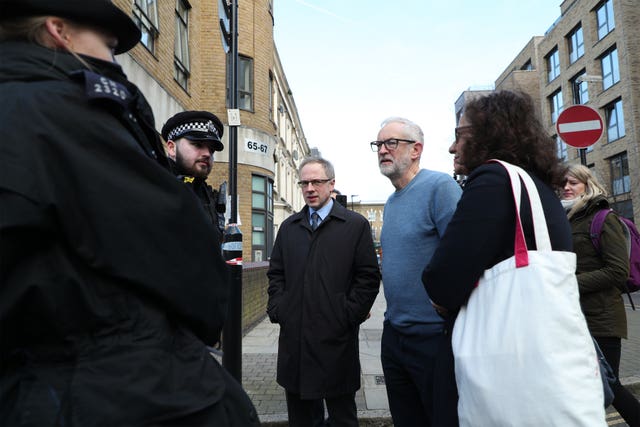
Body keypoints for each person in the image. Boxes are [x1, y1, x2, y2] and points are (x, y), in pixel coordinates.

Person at [0, 1, 258, 425]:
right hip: (110, 391)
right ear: (58, 30)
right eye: (107, 45)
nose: (113, 61)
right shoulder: (59, 111)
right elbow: (183, 262)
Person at [421, 90, 574, 423]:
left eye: (459, 136)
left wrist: (445, 294)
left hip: (498, 359)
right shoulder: (537, 187)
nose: (451, 147)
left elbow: (442, 282)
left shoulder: (493, 180)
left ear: (487, 136)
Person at [267, 156, 380, 427]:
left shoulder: (354, 225)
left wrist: (347, 315)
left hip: (336, 341)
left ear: (331, 184)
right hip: (295, 340)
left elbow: (368, 277)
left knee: (342, 417)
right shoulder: (289, 227)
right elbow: (276, 274)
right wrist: (279, 308)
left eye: (316, 182)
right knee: (302, 418)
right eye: (304, 182)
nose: (309, 188)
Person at [372, 117, 462, 426]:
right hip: (395, 335)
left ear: (416, 149)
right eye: (379, 144)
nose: (383, 150)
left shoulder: (440, 187)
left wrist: (449, 305)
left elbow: (463, 256)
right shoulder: (392, 202)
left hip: (433, 338)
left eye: (391, 143)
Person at [562, 164, 640, 425]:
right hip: (575, 316)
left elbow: (618, 271)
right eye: (563, 183)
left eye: (573, 182)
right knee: (588, 389)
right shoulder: (567, 218)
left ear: (588, 184)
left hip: (602, 317)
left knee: (609, 385)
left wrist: (569, 283)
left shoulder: (603, 218)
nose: (566, 187)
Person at [161, 110, 227, 238]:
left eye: (211, 150)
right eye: (197, 144)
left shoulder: (207, 195)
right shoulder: (154, 187)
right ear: (171, 148)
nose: (207, 154)